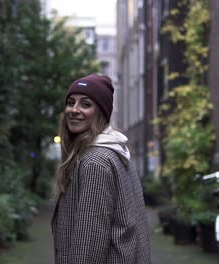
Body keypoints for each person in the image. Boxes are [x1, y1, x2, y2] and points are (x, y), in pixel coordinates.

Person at [51, 73, 151, 264]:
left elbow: (88, 245)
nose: (74, 110)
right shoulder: (116, 151)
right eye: (71, 102)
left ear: (101, 112)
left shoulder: (95, 162)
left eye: (86, 104)